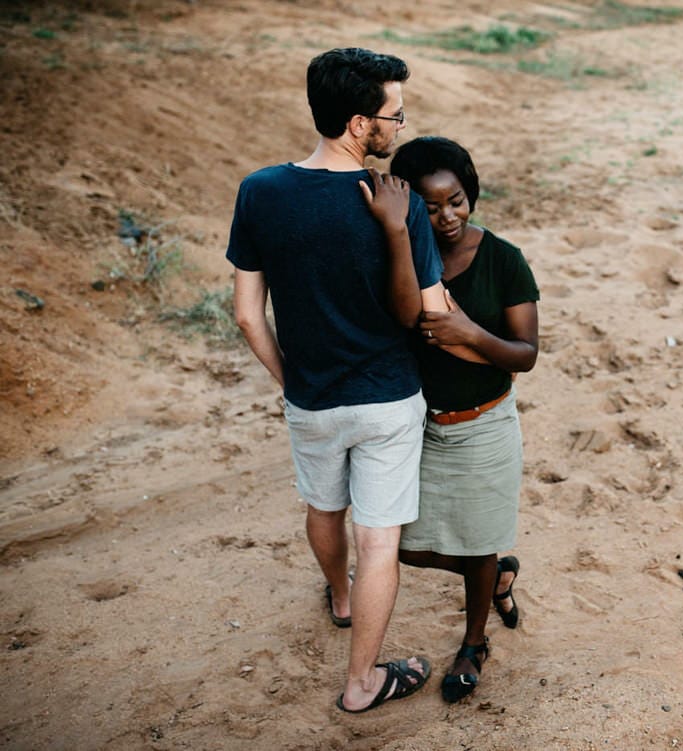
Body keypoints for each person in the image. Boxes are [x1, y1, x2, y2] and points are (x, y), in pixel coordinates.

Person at [226, 48, 443, 713]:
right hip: (388, 399)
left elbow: (247, 314)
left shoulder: (260, 191)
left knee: (323, 508)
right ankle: (361, 682)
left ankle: (341, 599)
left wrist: (291, 378)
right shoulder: (396, 202)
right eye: (394, 115)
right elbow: (430, 310)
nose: (399, 126)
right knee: (378, 542)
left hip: (312, 399)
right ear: (358, 123)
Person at [378, 136, 539, 702]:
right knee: (399, 548)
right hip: (418, 426)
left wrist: (468, 331)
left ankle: (474, 643)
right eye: (430, 207)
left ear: (470, 195)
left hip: (485, 424)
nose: (447, 217)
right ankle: (494, 574)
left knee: (478, 545)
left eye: (457, 201)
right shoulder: (402, 257)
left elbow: (525, 354)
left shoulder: (503, 259)